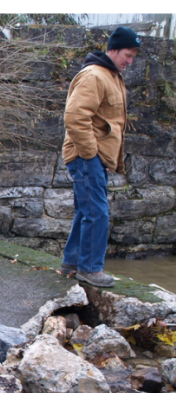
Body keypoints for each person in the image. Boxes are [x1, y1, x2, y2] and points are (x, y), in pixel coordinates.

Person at [61, 25, 141, 289]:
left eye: (133, 57)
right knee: (98, 213)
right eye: (127, 55)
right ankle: (90, 269)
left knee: (87, 210)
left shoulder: (110, 74)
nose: (130, 61)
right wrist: (89, 152)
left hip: (93, 156)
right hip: (87, 155)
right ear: (114, 49)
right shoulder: (95, 75)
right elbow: (75, 116)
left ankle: (72, 263)